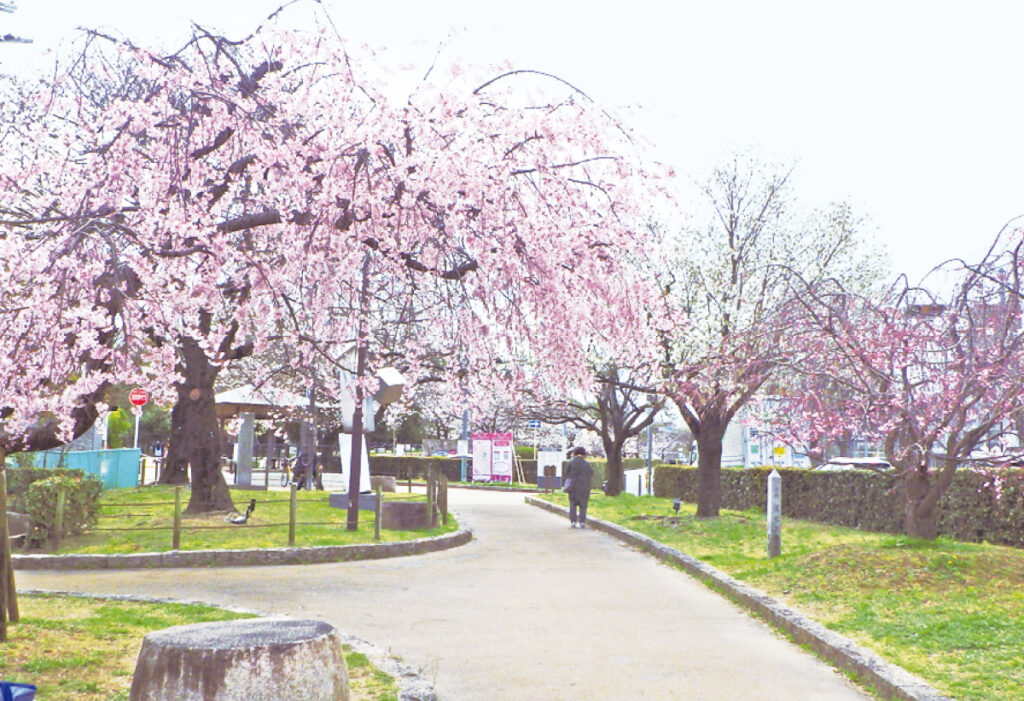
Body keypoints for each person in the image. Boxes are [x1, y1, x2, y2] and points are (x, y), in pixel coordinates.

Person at [564, 446, 594, 528]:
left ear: (575, 453)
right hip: (584, 487)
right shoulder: (587, 464)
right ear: (584, 454)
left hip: (573, 487)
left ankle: (573, 522)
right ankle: (582, 522)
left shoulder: (570, 462)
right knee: (583, 505)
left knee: (572, 504)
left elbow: (566, 473)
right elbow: (591, 473)